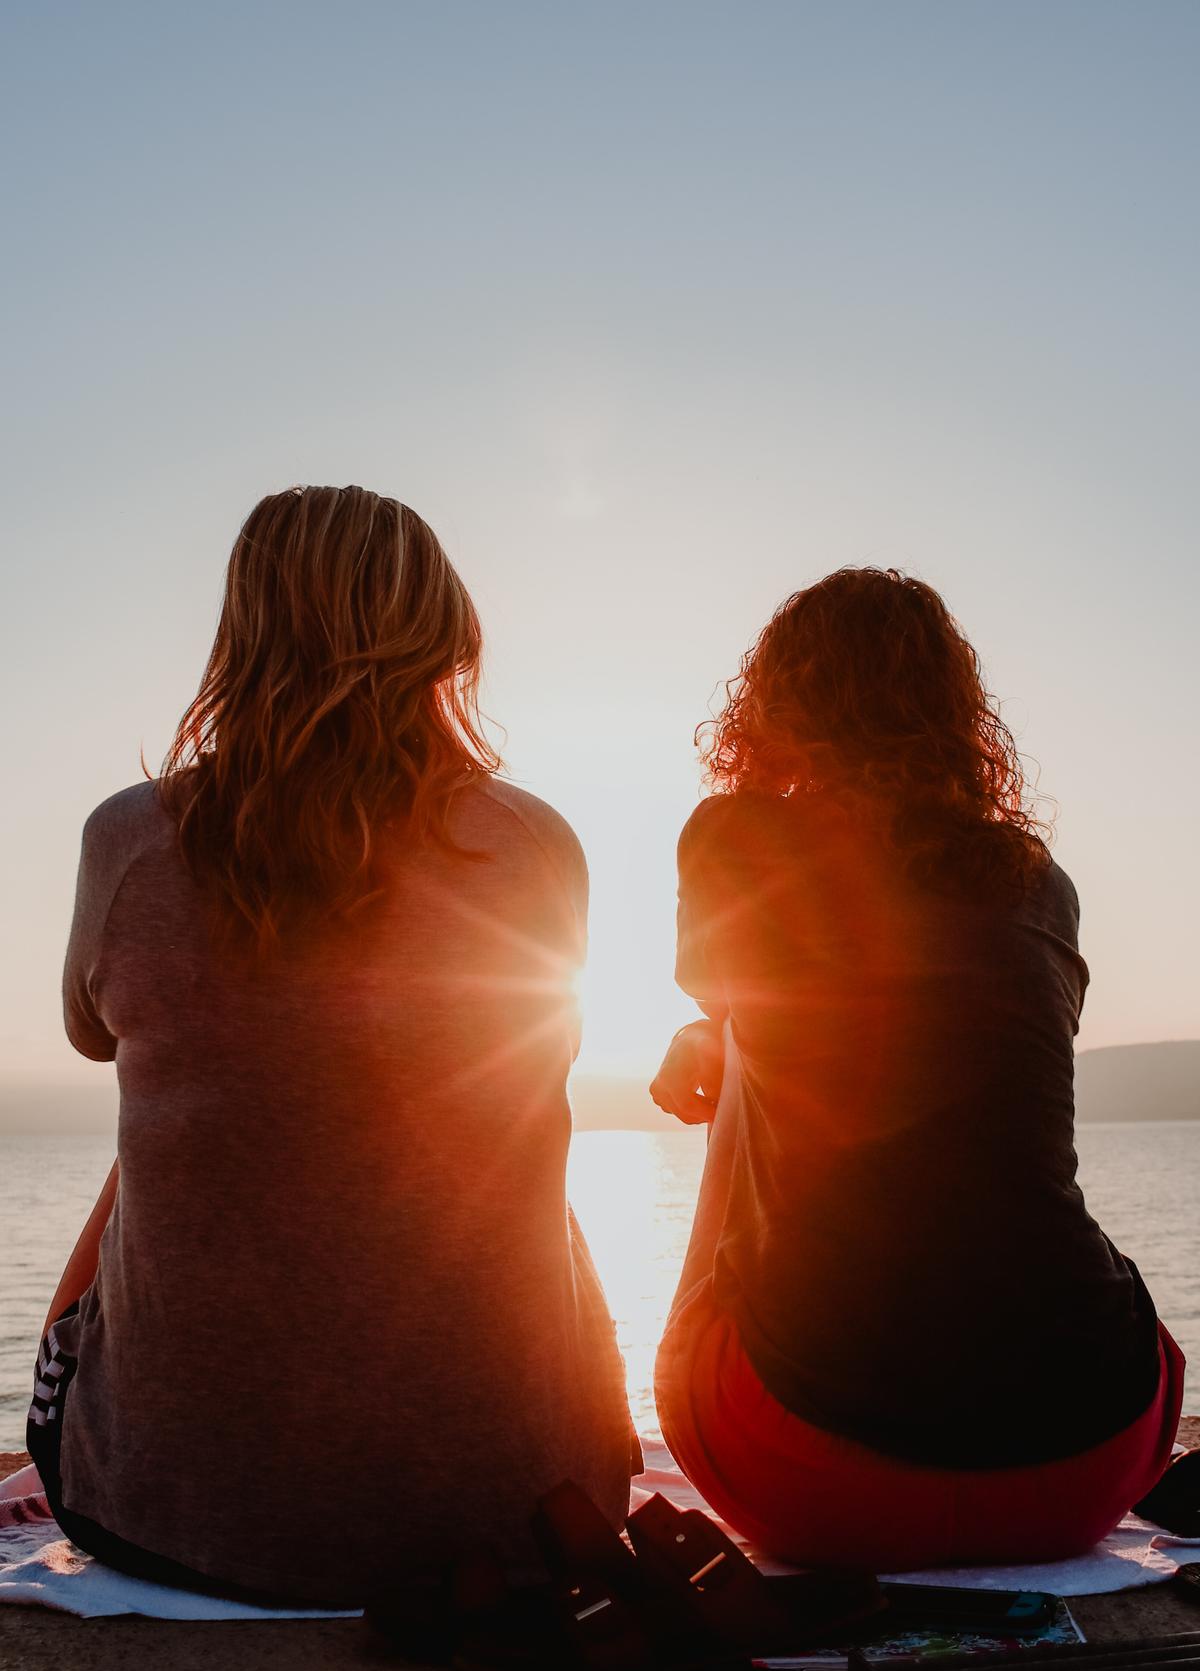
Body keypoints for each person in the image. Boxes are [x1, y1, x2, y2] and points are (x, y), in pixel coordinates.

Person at [29, 485, 634, 1608]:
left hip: (179, 1519)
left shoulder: (130, 838)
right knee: (493, 1132)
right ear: (449, 632)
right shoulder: (537, 843)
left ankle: (164, 1444)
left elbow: (87, 1030)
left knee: (176, 1132)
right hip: (515, 1515)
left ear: (240, 635)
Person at [650, 567, 1183, 1571]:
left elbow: (719, 989)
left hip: (813, 1476)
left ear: (774, 705)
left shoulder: (740, 833)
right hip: (1090, 1465)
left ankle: (748, 1349)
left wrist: (715, 1034)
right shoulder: (1037, 881)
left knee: (741, 1060)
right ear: (954, 715)